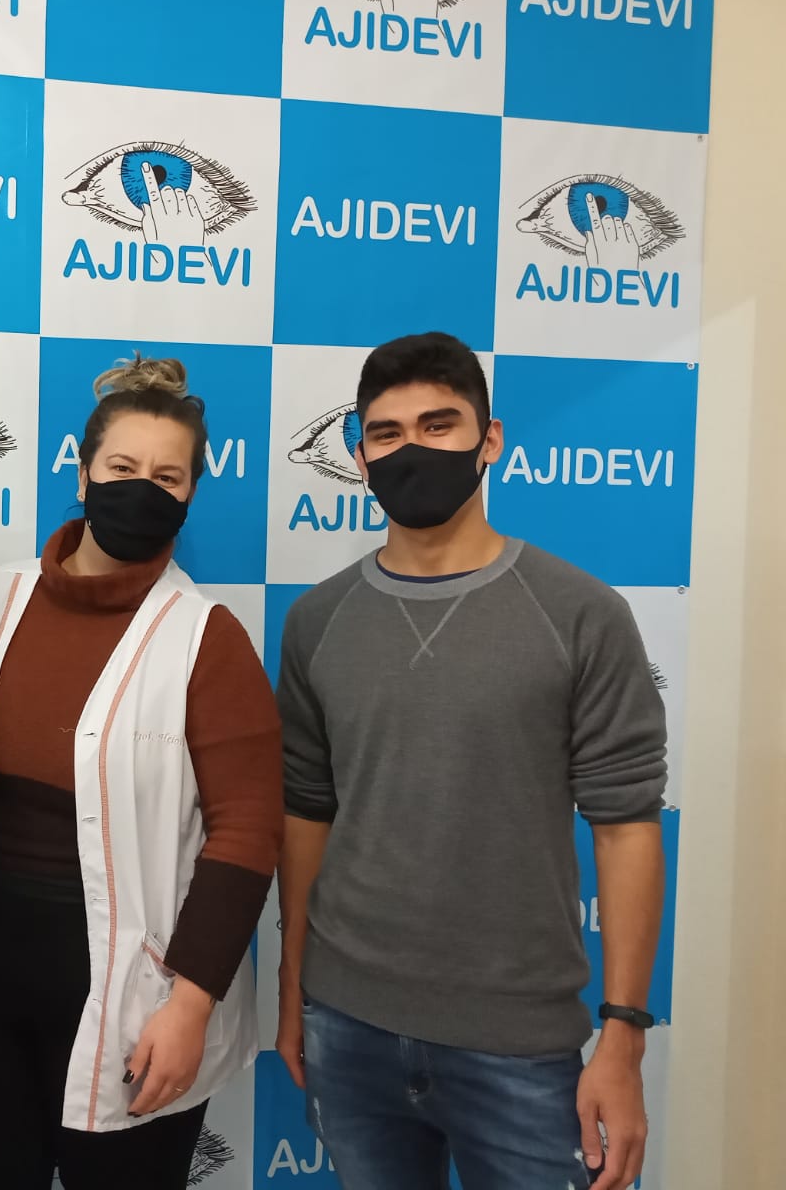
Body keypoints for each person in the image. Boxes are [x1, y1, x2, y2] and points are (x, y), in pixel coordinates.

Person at [274, 331, 666, 1190]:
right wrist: (293, 988)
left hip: (519, 1045)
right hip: (349, 1028)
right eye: (386, 433)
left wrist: (624, 1035)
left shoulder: (581, 614)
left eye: (439, 424)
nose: (412, 449)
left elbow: (626, 827)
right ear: (359, 456)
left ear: (490, 441)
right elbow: (306, 816)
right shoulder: (316, 623)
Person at [0, 355, 284, 1190]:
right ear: (83, 472)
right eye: (122, 468)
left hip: (136, 1004)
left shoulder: (207, 636)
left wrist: (190, 1005)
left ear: (191, 493)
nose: (142, 489)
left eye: (168, 477)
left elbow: (247, 835)